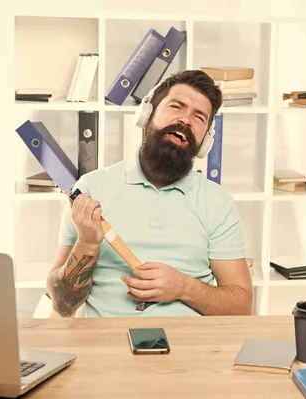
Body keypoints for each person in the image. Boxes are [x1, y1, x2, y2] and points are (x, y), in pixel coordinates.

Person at [46, 70, 253, 318]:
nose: (186, 120)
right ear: (147, 113)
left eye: (199, 117)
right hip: (107, 346)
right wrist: (87, 243)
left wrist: (184, 288)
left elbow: (241, 307)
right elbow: (62, 305)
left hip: (189, 348)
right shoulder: (92, 189)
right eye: (177, 106)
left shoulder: (217, 202)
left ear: (205, 141)